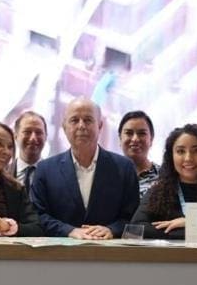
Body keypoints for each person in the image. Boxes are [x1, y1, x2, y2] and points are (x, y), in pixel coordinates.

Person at [30, 97, 139, 239]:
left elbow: (133, 216)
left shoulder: (124, 168)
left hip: (109, 249)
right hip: (61, 250)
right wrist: (68, 231)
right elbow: (38, 215)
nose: (81, 126)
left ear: (100, 125)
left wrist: (112, 230)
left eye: (88, 120)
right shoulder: (45, 169)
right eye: (74, 120)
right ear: (64, 127)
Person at [118, 110, 159, 197]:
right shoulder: (108, 175)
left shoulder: (164, 177)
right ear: (120, 138)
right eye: (129, 133)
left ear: (151, 139)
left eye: (142, 133)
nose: (135, 139)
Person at [13, 110, 46, 193]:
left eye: (38, 132)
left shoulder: (56, 174)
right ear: (15, 136)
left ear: (46, 137)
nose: (33, 138)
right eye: (27, 132)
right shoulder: (2, 174)